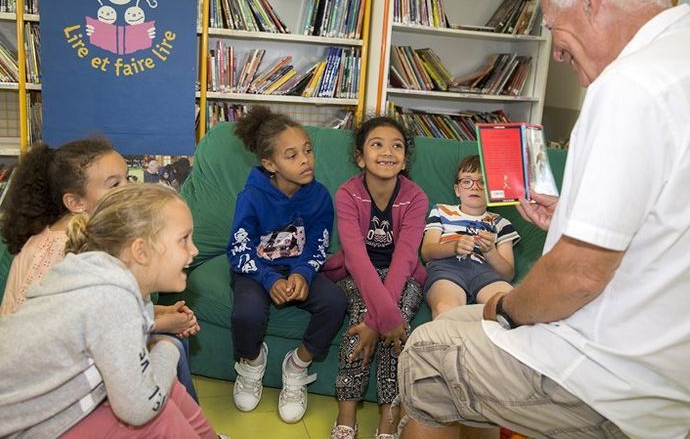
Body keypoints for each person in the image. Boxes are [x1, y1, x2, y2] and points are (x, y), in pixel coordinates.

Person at [397, 0, 690, 439]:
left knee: (426, 354)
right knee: (453, 330)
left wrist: (504, 308)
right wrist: (574, 211)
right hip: (682, 379)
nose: (563, 57)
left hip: (606, 379)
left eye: (556, 31)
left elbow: (578, 278)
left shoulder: (630, 84)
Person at [0, 184, 217, 438]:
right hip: (22, 428)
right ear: (141, 251)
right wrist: (166, 349)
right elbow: (139, 409)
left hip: (50, 411)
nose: (194, 250)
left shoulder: (106, 280)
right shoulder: (111, 296)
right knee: (160, 416)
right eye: (184, 239)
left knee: (166, 391)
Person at [0, 139, 200, 401]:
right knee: (170, 344)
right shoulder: (70, 248)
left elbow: (108, 309)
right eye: (114, 184)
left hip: (65, 354)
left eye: (127, 178)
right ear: (75, 201)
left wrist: (162, 313)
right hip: (47, 375)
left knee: (173, 342)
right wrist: (163, 322)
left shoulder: (77, 230)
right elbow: (81, 331)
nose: (127, 189)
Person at [227, 106, 347, 423]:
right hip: (256, 269)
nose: (305, 160)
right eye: (292, 156)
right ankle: (251, 362)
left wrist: (304, 273)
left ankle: (297, 366)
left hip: (297, 266)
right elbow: (239, 248)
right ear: (270, 164)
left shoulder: (319, 196)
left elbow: (320, 241)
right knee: (246, 313)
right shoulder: (251, 196)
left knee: (335, 302)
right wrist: (267, 280)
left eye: (307, 150)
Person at [324, 117, 427, 439]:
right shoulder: (348, 194)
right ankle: (347, 414)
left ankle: (388, 418)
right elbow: (355, 257)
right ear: (360, 157)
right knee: (361, 319)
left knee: (396, 331)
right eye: (376, 144)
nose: (387, 152)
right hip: (359, 273)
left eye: (397, 145)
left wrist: (381, 318)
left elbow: (406, 257)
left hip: (403, 275)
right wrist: (380, 316)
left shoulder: (416, 198)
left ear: (405, 159)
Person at [421, 155, 519, 319]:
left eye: (482, 182)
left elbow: (508, 274)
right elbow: (426, 252)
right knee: (445, 309)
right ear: (457, 189)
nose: (475, 187)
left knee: (511, 309)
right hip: (446, 269)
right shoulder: (441, 211)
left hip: (484, 271)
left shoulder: (501, 223)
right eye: (467, 181)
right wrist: (453, 247)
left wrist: (490, 252)